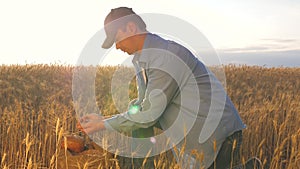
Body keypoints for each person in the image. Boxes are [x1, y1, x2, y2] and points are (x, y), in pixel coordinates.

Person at [77, 7, 247, 169]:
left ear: (131, 27)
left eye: (116, 38)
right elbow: (142, 108)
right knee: (135, 109)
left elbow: (149, 115)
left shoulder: (165, 56)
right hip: (196, 135)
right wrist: (103, 119)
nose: (117, 46)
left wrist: (103, 124)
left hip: (217, 135)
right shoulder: (141, 60)